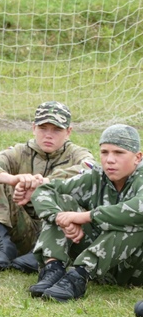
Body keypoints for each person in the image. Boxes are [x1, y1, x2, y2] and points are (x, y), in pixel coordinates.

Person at [0, 101, 93, 273]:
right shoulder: (20, 152)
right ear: (33, 128)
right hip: (23, 229)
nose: (48, 135)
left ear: (68, 132)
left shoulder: (77, 154)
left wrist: (44, 183)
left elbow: (90, 171)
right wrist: (12, 179)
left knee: (69, 193)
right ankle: (4, 246)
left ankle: (43, 253)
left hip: (61, 233)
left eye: (56, 130)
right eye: (43, 128)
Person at [28, 124, 143, 302]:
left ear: (137, 157)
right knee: (63, 205)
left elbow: (137, 209)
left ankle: (78, 277)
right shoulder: (96, 177)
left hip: (135, 268)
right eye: (104, 152)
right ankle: (53, 268)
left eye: (119, 153)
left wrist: (85, 217)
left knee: (132, 222)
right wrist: (61, 218)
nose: (110, 160)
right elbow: (46, 190)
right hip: (102, 262)